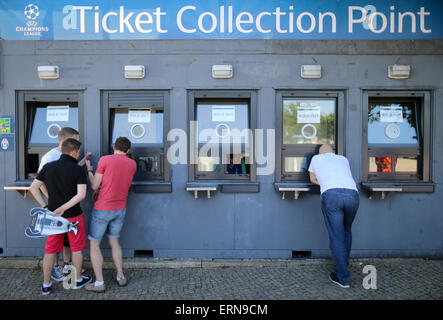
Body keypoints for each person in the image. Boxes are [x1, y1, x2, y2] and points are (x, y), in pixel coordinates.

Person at [29, 138, 92, 295]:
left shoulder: (49, 167)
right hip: (73, 217)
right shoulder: (78, 170)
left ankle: (46, 285)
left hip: (52, 218)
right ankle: (76, 280)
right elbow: (82, 194)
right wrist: (64, 207)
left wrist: (45, 207)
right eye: (78, 152)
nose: (78, 155)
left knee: (50, 251)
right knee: (76, 249)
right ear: (74, 152)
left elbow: (33, 187)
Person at [85, 137, 136, 292]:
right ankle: (120, 275)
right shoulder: (132, 164)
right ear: (128, 150)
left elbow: (94, 185)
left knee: (94, 244)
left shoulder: (105, 159)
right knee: (114, 242)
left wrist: (89, 168)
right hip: (120, 208)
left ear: (114, 146)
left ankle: (99, 283)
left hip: (103, 208)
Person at [308, 144, 359, 288]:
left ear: (319, 153)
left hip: (331, 195)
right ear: (334, 152)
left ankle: (343, 277)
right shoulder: (343, 159)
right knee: (346, 230)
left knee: (336, 236)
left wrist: (324, 183)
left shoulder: (316, 158)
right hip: (352, 194)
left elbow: (312, 179)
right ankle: (344, 263)